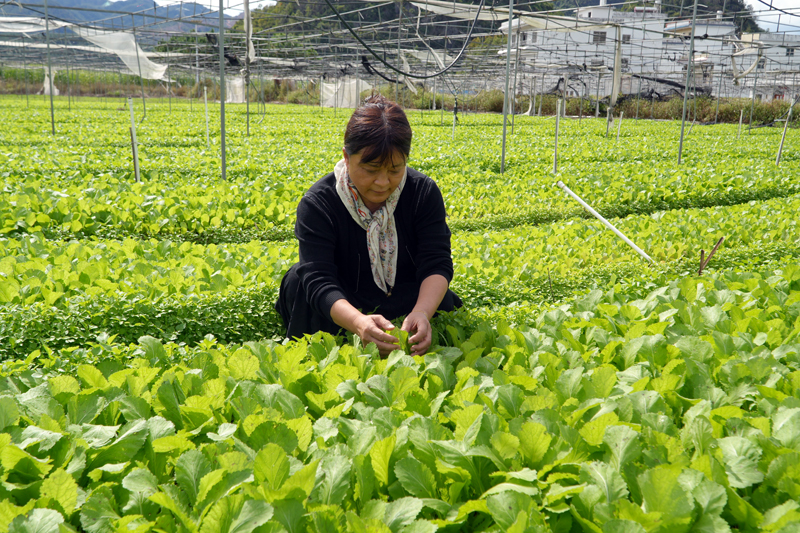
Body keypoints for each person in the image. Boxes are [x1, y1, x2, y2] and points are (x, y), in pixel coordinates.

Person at [276, 95, 462, 356]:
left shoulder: (422, 193)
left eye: (395, 170)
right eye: (371, 169)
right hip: (346, 297)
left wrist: (421, 311)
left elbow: (436, 261)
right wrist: (357, 322)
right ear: (347, 156)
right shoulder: (319, 203)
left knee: (436, 293)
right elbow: (319, 278)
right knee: (299, 280)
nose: (383, 182)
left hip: (403, 292)